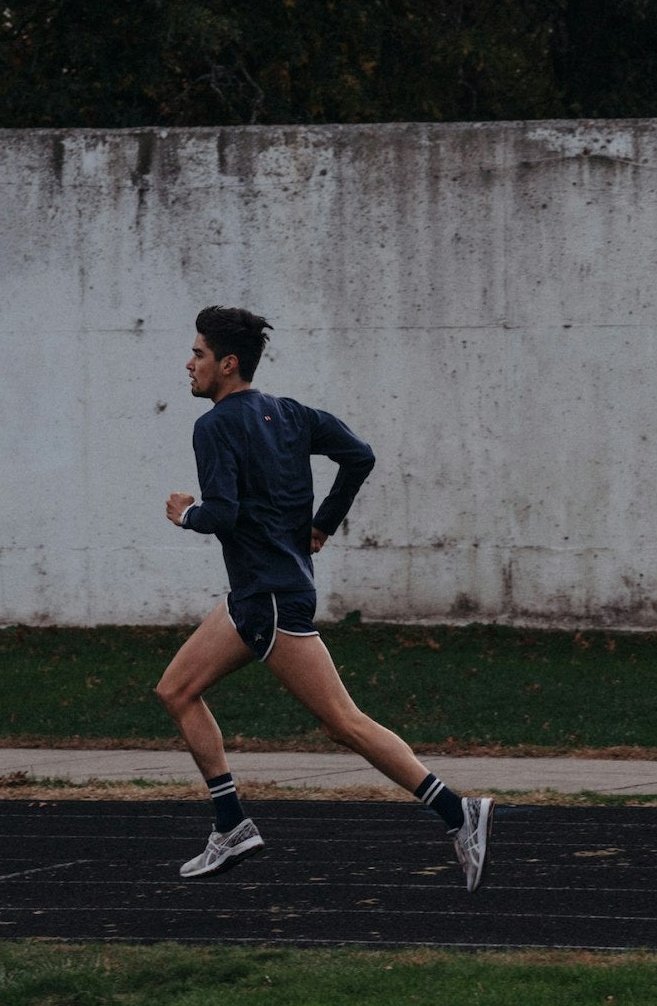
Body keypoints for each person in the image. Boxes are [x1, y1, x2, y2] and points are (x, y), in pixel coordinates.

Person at [156, 305, 493, 892]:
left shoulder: (214, 426)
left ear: (228, 364)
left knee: (343, 722)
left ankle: (457, 812)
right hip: (258, 594)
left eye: (199, 354)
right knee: (176, 690)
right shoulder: (291, 414)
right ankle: (231, 825)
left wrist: (186, 514)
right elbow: (359, 455)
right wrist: (322, 524)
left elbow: (223, 513)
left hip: (269, 600)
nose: (189, 363)